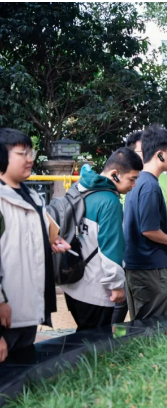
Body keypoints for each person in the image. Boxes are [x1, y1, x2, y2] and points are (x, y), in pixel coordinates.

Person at [0, 128, 70, 362]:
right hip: (6, 312)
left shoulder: (32, 197)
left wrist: (51, 241)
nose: (30, 159)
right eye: (22, 154)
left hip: (28, 310)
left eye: (31, 153)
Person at [60, 148, 142, 331]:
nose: (134, 185)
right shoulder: (110, 202)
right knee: (95, 341)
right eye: (132, 179)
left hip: (72, 282)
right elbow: (111, 249)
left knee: (82, 335)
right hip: (94, 289)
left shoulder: (80, 188)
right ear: (115, 174)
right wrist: (117, 286)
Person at [112, 130, 167, 324]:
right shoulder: (150, 186)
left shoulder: (138, 181)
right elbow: (148, 230)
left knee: (141, 325)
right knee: (153, 327)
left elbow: (141, 222)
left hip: (137, 266)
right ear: (160, 155)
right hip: (149, 269)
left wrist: (166, 227)